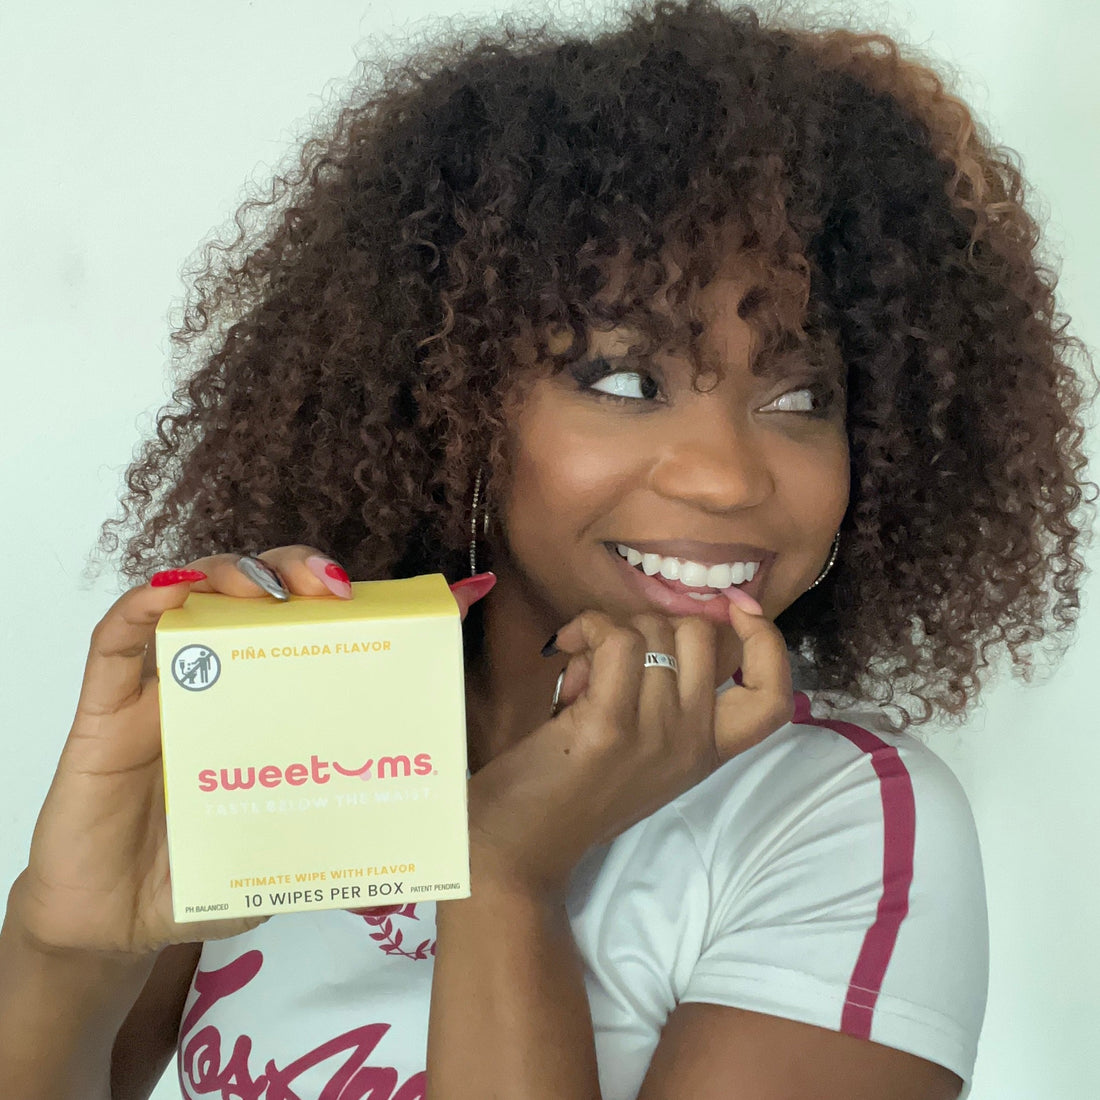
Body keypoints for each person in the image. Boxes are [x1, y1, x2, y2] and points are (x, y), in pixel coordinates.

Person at [1, 1, 1093, 1097]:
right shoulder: (300, 725)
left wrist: (502, 872)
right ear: (449, 402)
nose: (725, 474)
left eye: (800, 394)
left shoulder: (838, 820)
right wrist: (65, 935)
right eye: (625, 379)